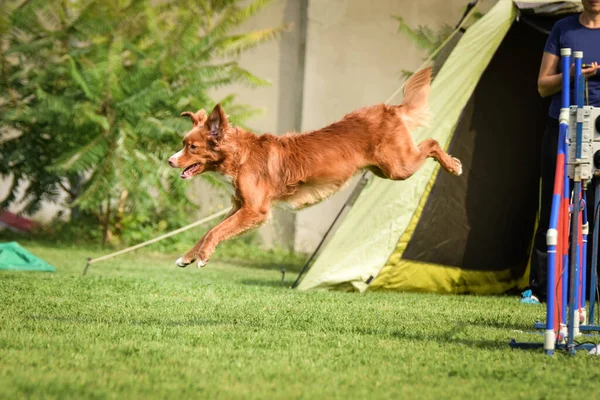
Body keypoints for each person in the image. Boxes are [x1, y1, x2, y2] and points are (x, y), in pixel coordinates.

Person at [527, 0, 600, 303]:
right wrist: (574, 75)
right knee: (554, 207)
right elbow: (543, 85)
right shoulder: (563, 28)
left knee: (595, 210)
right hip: (563, 127)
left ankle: (590, 290)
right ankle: (542, 291)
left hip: (598, 128)